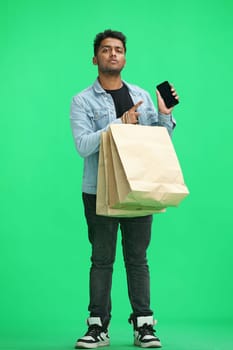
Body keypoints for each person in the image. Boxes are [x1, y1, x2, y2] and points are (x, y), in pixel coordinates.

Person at [70, 29, 179, 349]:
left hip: (139, 188)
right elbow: (82, 146)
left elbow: (160, 145)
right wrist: (118, 124)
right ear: (95, 58)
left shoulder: (142, 95)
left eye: (118, 49)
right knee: (101, 259)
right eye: (106, 50)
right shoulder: (82, 101)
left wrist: (164, 115)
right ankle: (97, 326)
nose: (113, 54)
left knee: (138, 258)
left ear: (125, 57)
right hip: (99, 189)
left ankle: (144, 324)